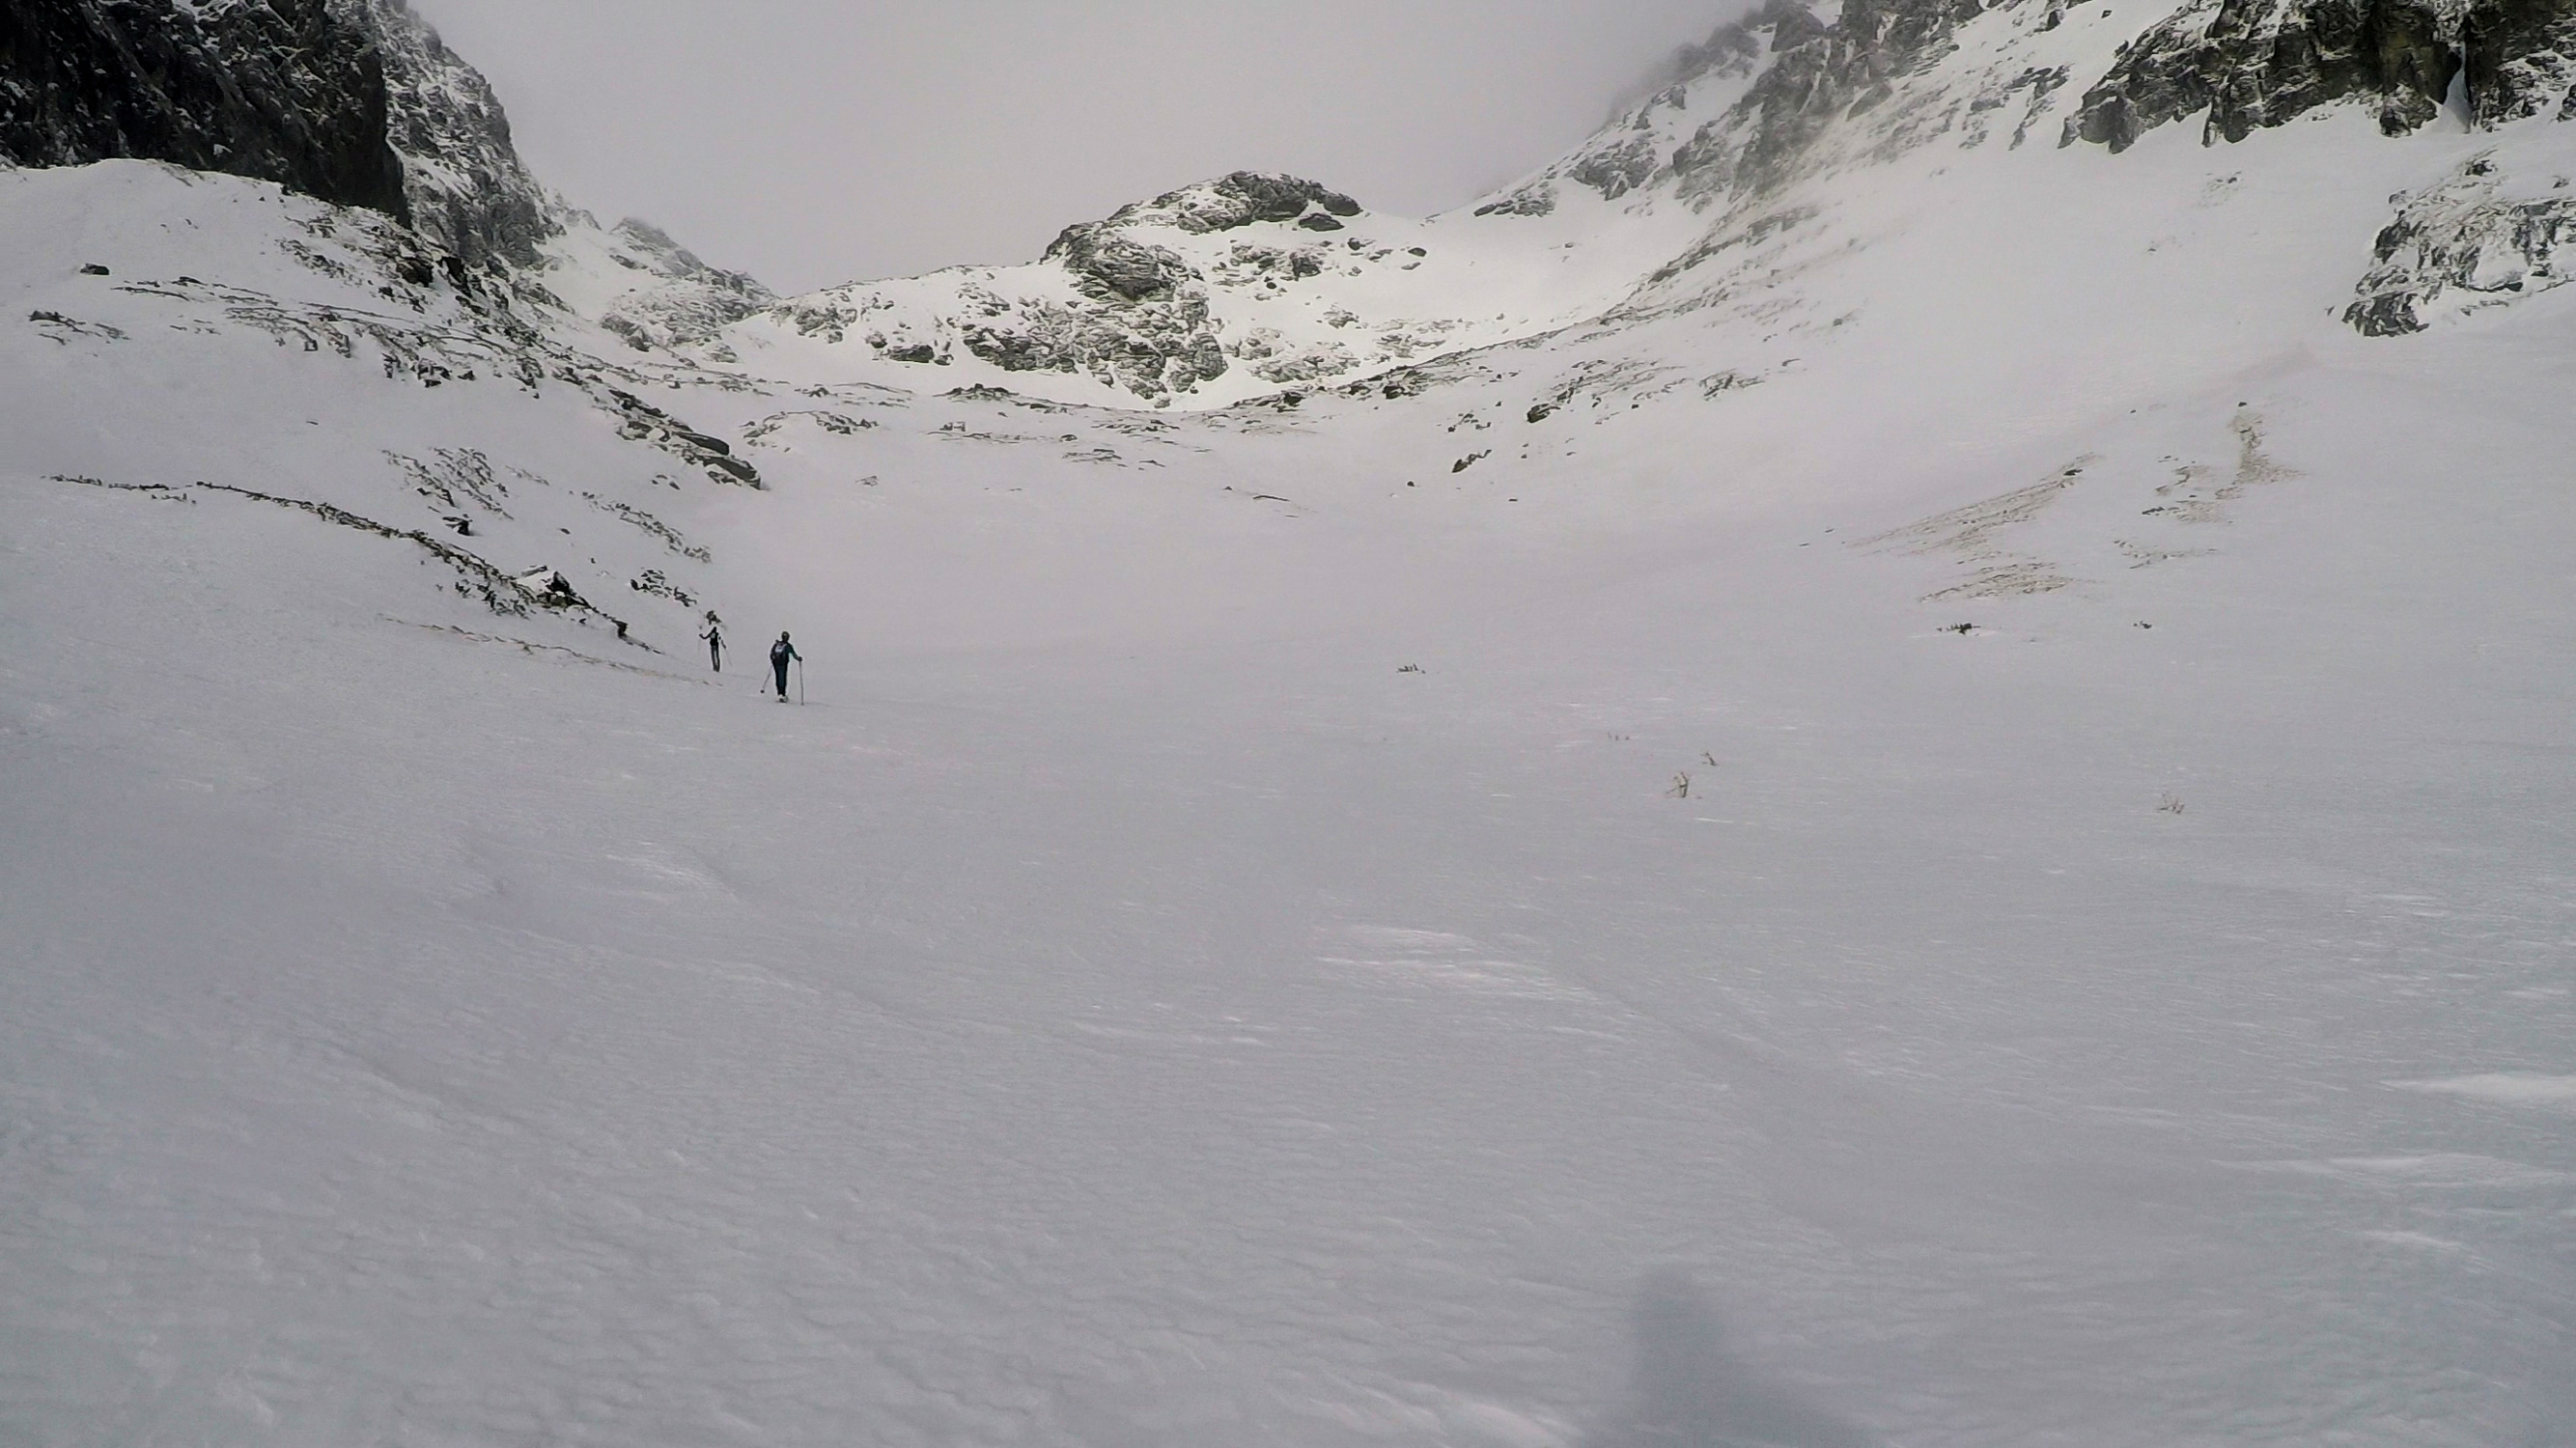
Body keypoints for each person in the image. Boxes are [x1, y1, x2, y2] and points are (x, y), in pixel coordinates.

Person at [770, 630, 800, 702]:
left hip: (776, 663)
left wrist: (773, 660)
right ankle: (782, 694)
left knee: (778, 677)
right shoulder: (788, 646)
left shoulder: (777, 644)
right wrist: (799, 659)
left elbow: (771, 654)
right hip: (783, 664)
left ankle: (779, 693)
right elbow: (794, 655)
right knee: (782, 678)